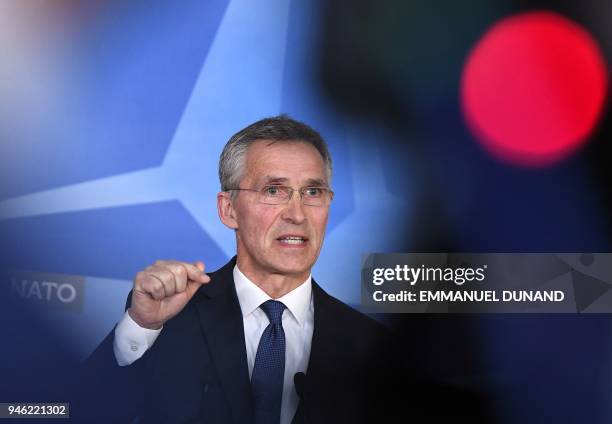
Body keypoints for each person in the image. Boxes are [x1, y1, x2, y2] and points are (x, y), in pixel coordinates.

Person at [84, 116, 400, 424]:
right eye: (274, 190)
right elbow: (80, 410)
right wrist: (141, 325)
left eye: (312, 192)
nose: (297, 214)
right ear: (229, 209)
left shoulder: (371, 348)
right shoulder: (166, 319)